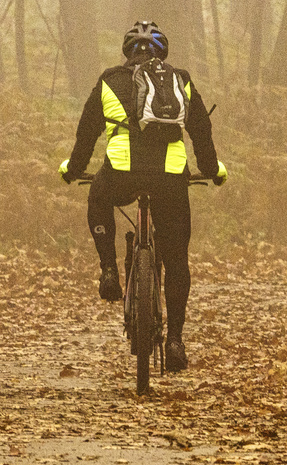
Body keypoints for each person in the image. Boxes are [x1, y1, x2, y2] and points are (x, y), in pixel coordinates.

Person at [59, 20, 225, 371]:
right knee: (177, 259)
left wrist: (74, 170)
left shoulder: (109, 79)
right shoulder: (181, 81)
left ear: (126, 53)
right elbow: (201, 133)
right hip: (170, 180)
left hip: (121, 175)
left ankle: (108, 270)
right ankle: (176, 340)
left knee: (99, 199)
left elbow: (86, 133)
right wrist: (212, 170)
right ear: (162, 53)